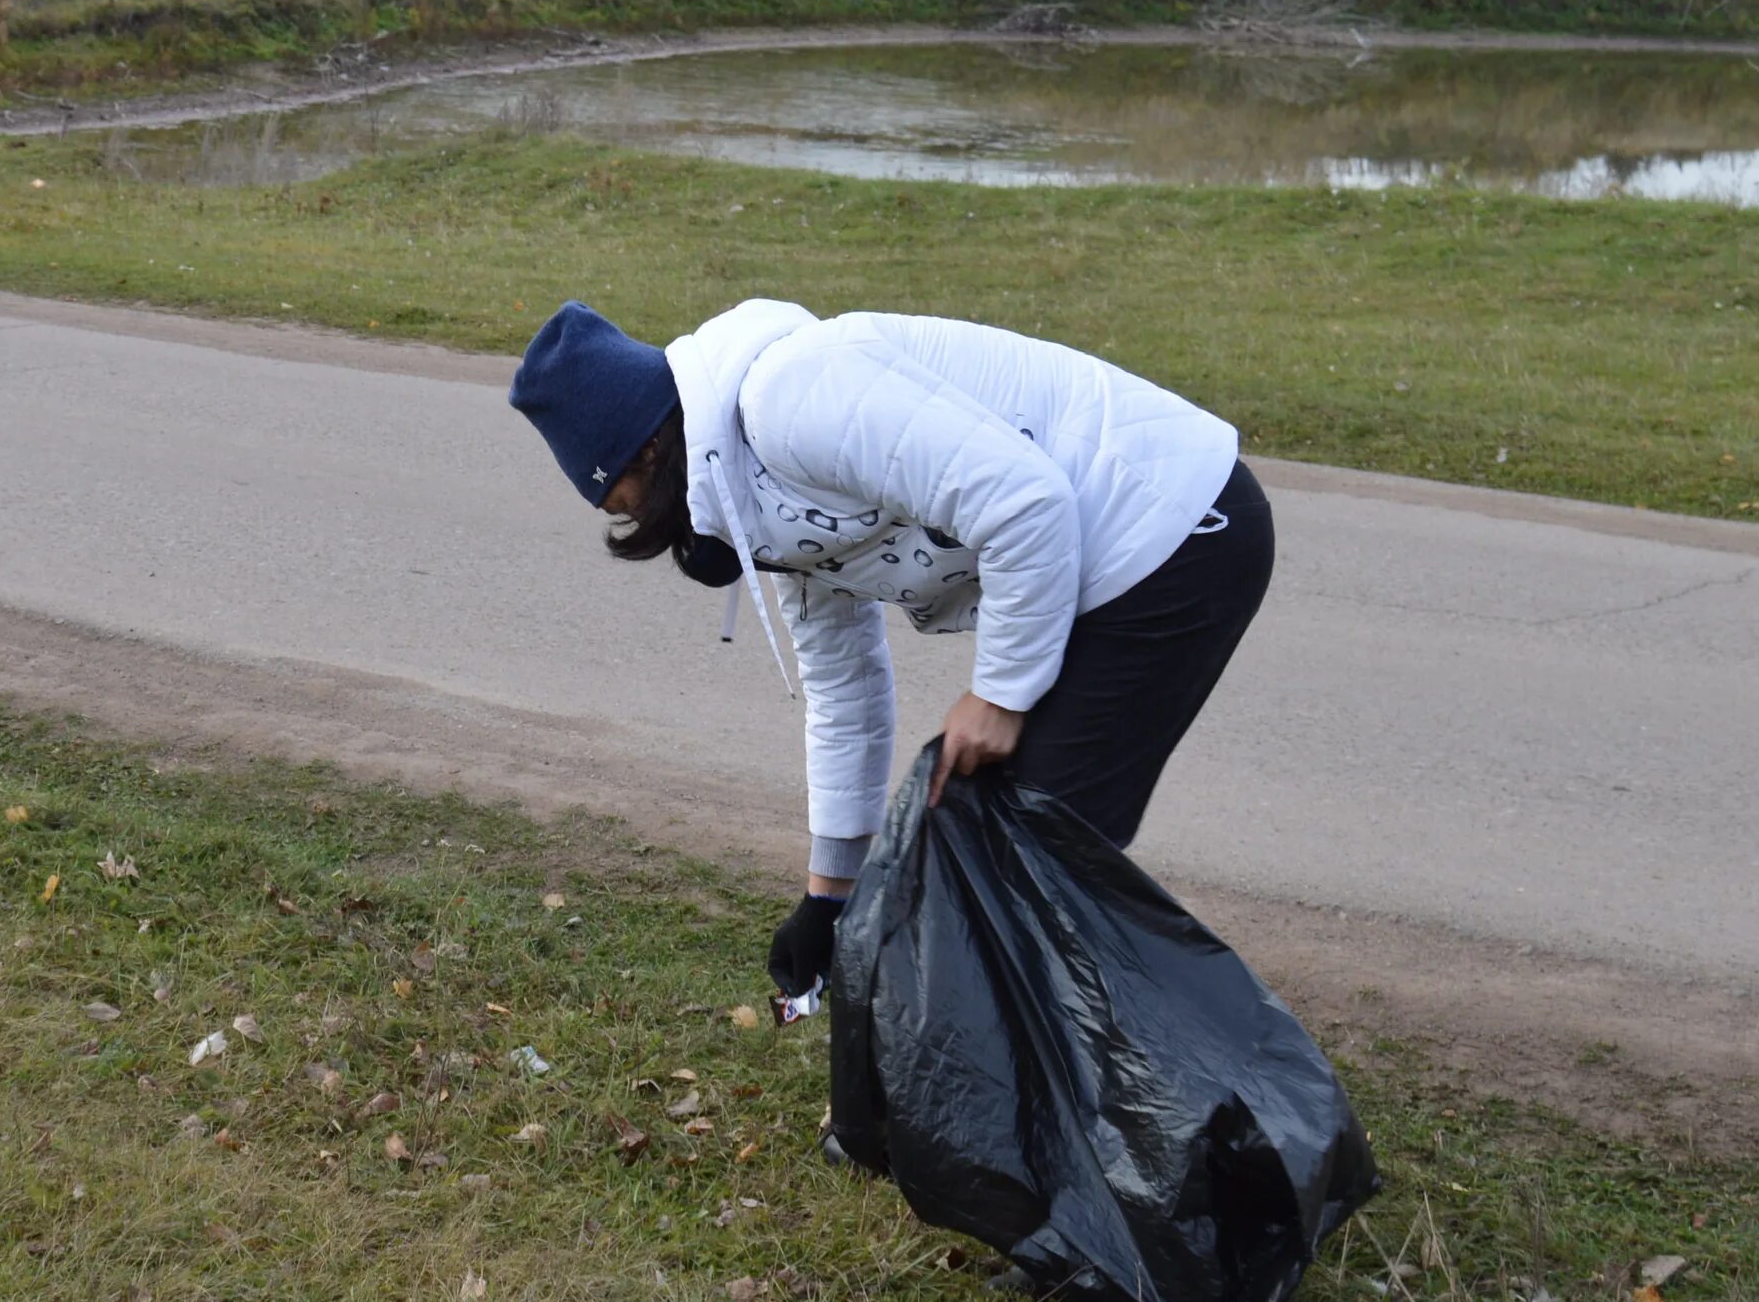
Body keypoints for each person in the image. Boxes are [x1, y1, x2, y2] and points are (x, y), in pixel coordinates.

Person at [509, 298, 1274, 1007]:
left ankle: (1138, 1088)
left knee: (1030, 860)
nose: (655, 532)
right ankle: (1040, 1094)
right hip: (1104, 569)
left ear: (648, 451)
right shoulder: (759, 502)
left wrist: (1000, 695)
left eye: (630, 507)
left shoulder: (789, 402)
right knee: (984, 841)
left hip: (1175, 529)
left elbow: (1026, 504)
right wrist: (826, 897)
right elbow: (846, 696)